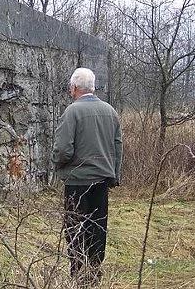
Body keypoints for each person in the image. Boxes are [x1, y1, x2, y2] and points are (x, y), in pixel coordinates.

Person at [51, 67, 123, 286]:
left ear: (74, 88)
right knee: (98, 229)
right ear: (93, 87)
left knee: (76, 230)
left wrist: (57, 164)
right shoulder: (110, 111)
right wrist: (114, 174)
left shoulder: (71, 112)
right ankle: (94, 274)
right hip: (101, 181)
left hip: (77, 183)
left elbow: (63, 149)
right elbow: (117, 146)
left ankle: (78, 274)